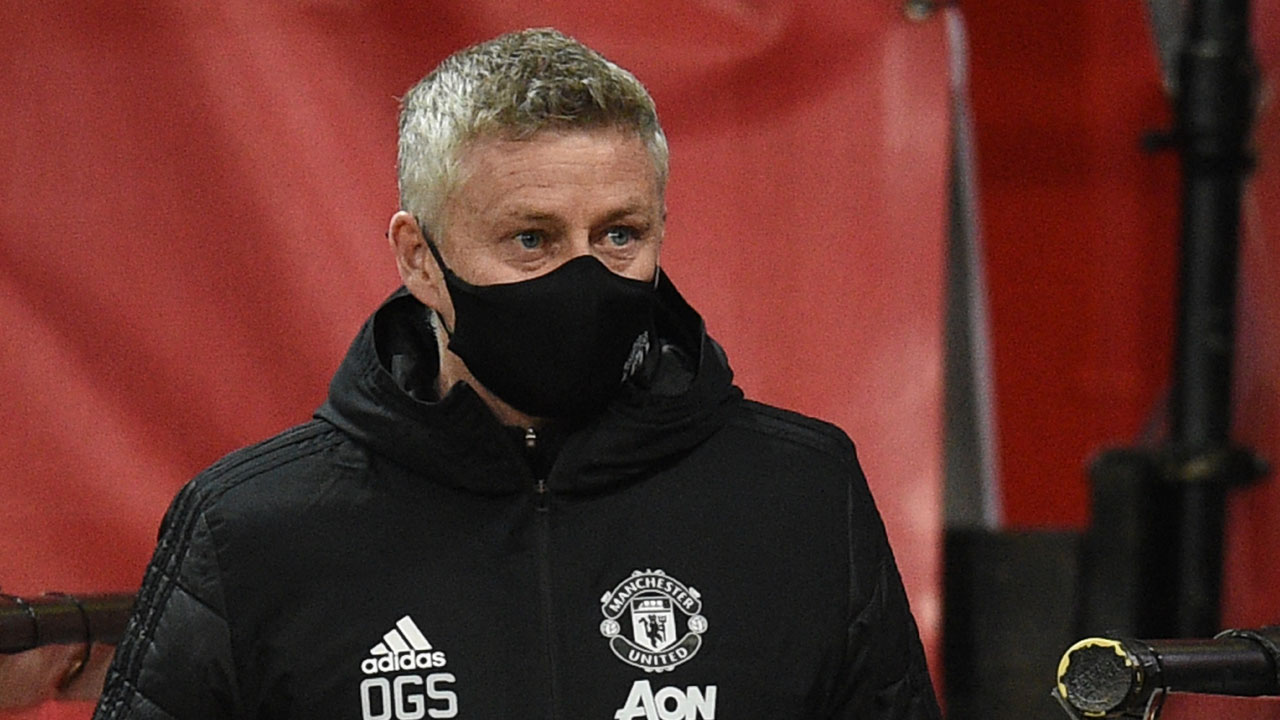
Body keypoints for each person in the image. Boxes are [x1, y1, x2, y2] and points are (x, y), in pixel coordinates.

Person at [94, 28, 940, 720]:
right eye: (531, 239)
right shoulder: (251, 531)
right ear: (417, 258)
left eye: (618, 235)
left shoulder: (801, 499)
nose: (582, 278)